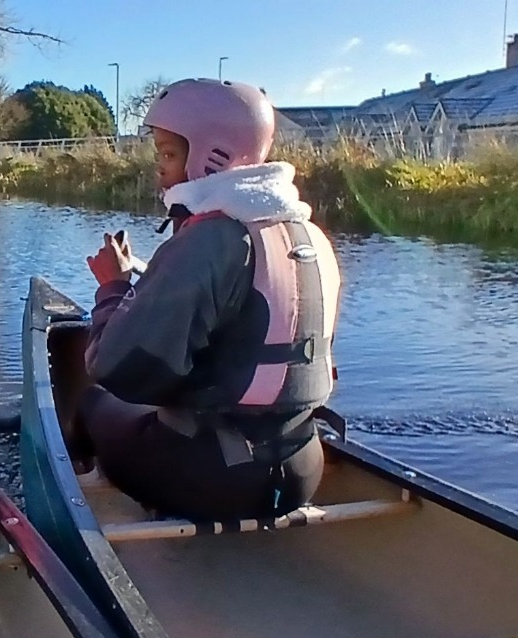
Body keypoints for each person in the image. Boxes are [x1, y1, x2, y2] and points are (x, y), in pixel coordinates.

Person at [71, 77, 342, 522]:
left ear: (211, 157)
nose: (159, 168)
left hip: (209, 480)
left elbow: (117, 367)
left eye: (168, 153)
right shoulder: (308, 235)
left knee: (92, 401)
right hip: (301, 472)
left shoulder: (212, 239)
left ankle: (85, 496)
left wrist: (113, 288)